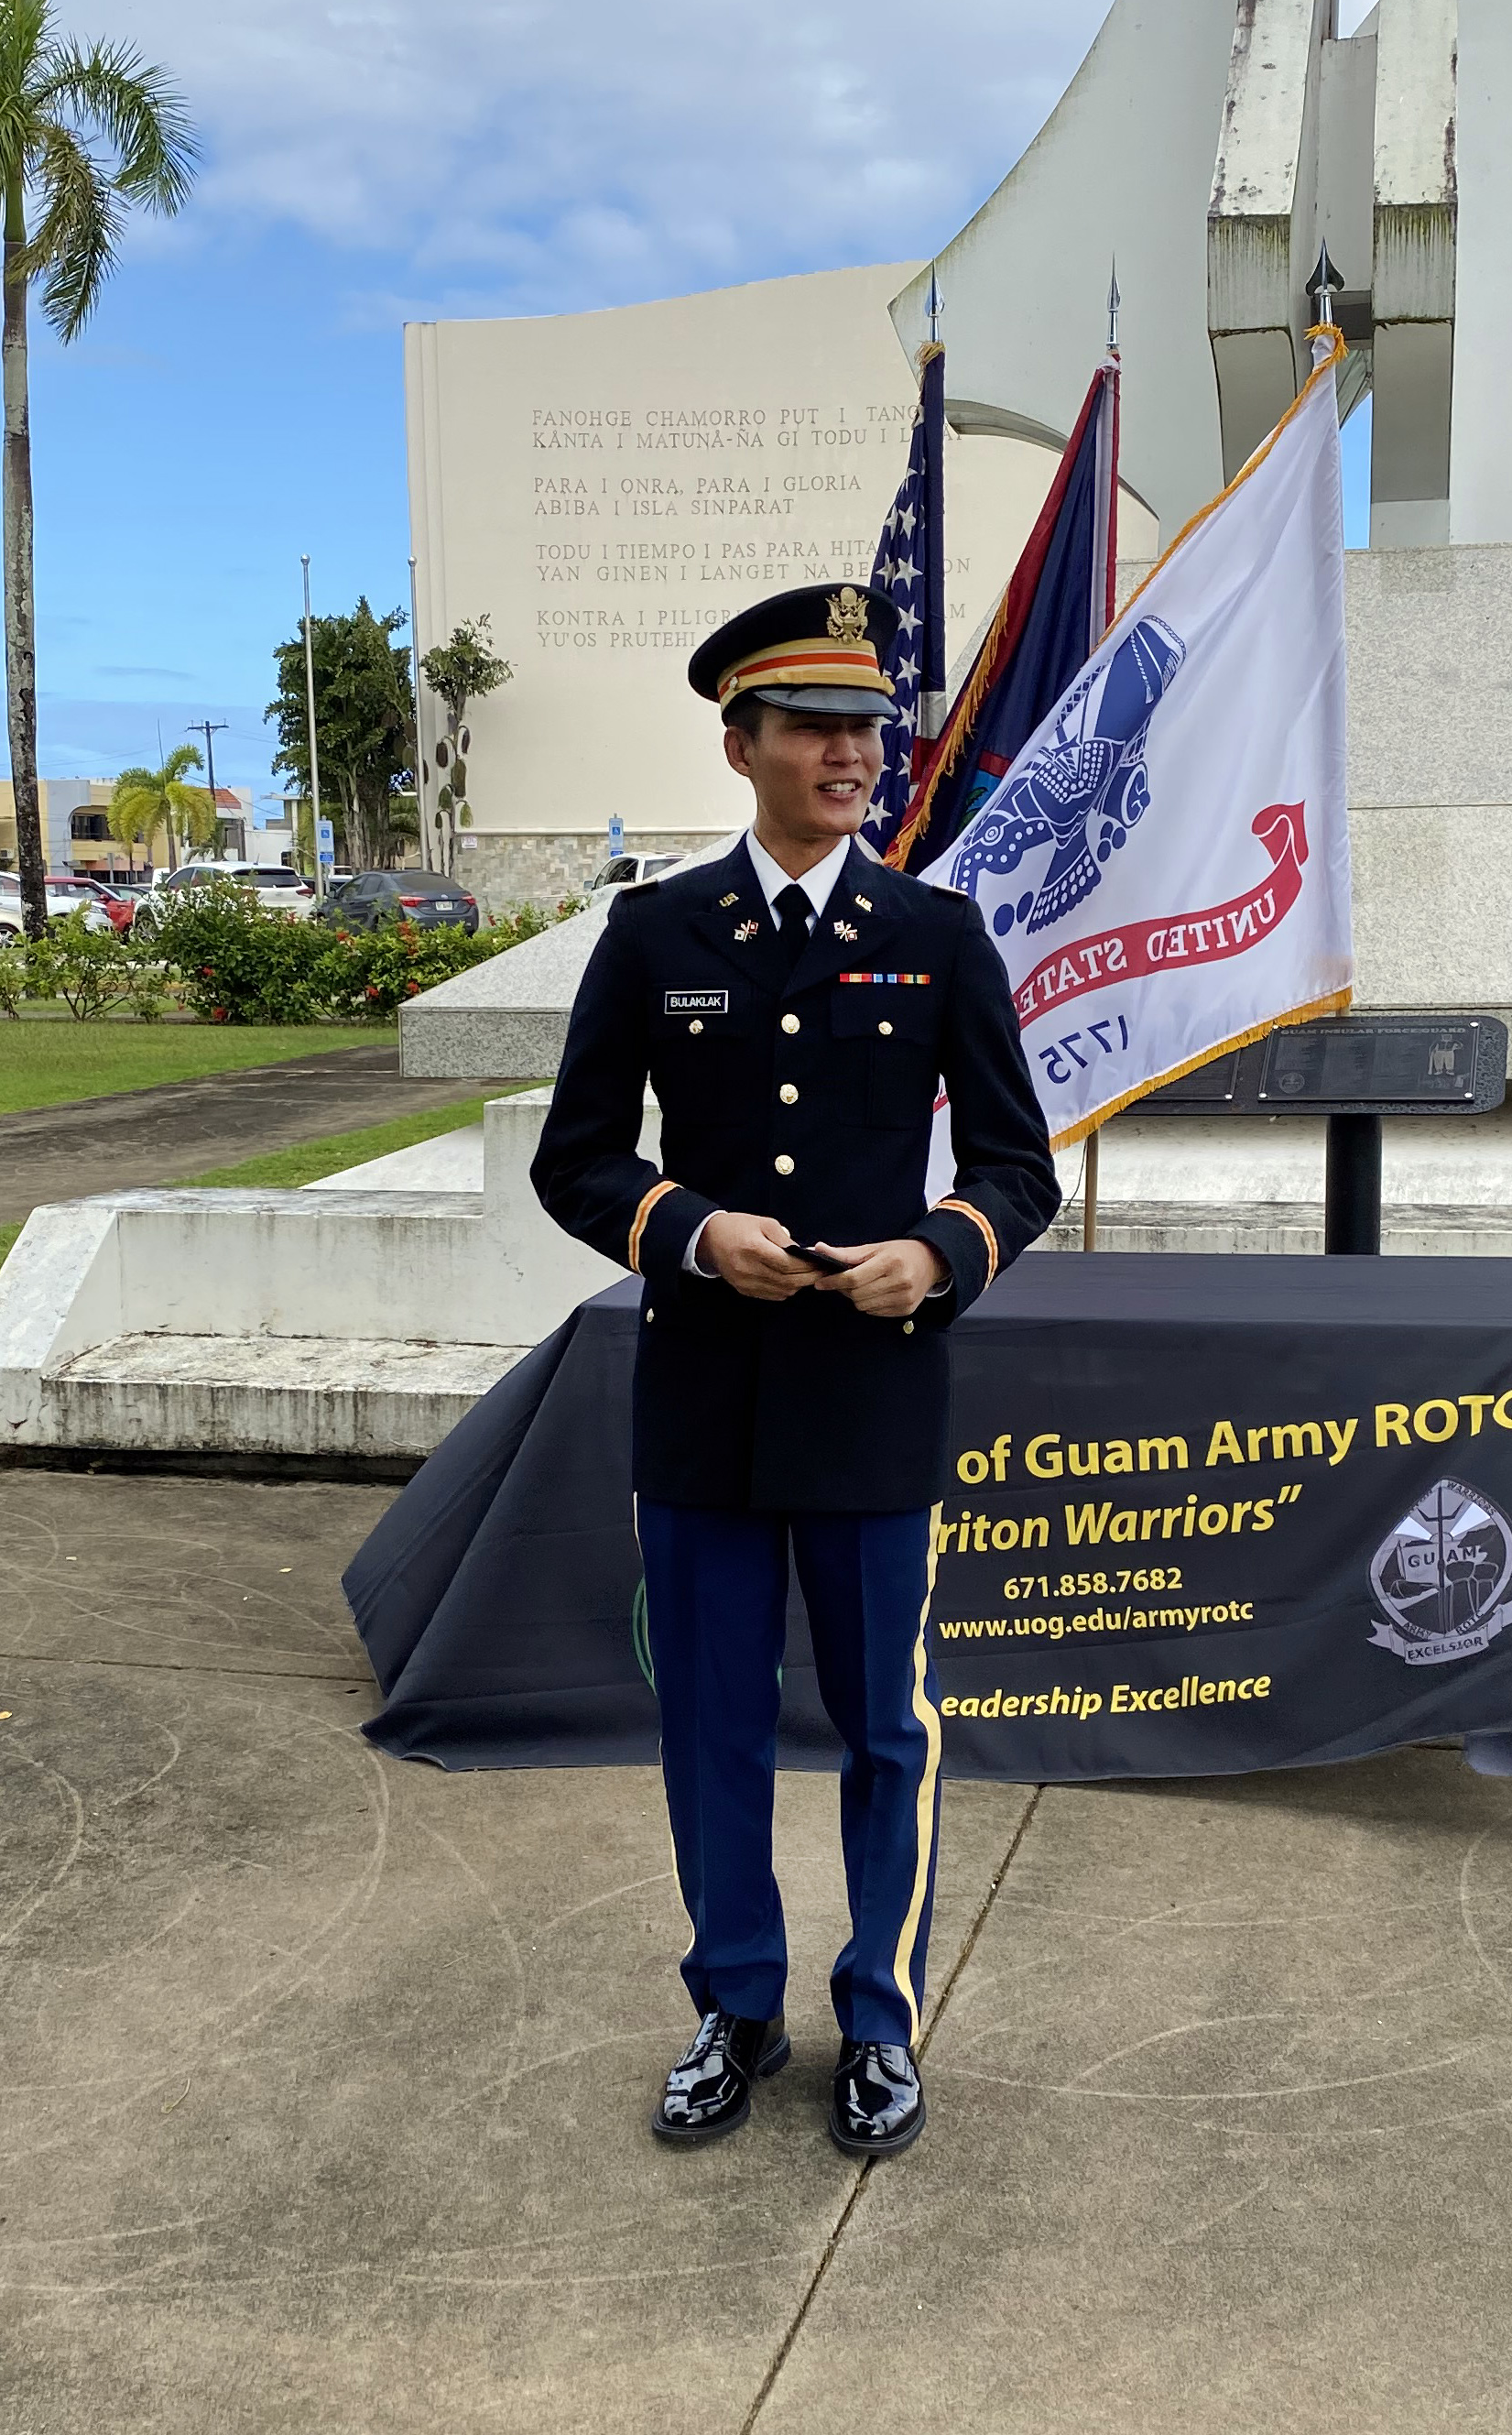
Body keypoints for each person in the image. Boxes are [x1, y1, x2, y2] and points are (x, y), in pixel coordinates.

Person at [530, 583, 1059, 2159]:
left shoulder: (933, 935)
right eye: (815, 725)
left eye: (865, 728)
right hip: (701, 1401)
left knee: (887, 1727)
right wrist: (684, 1228)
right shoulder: (653, 932)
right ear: (739, 740)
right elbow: (575, 1160)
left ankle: (879, 2014)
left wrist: (941, 1250)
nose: (849, 751)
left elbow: (1019, 1166)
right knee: (710, 1721)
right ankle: (737, 2002)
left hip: (871, 1402)